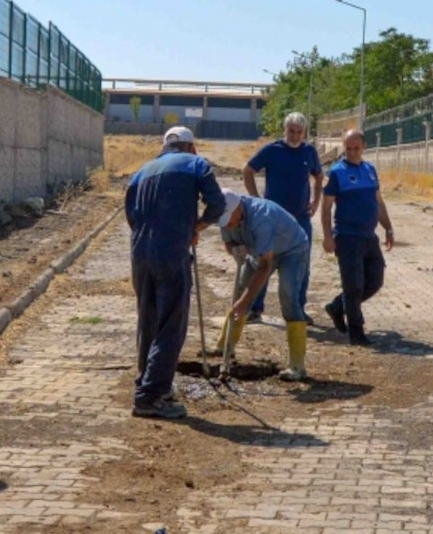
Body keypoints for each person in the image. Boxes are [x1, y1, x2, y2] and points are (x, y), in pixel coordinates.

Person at [125, 126, 226, 419]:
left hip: (140, 253)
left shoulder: (142, 170)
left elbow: (130, 214)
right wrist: (197, 227)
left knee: (149, 321)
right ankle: (149, 397)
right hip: (172, 252)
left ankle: (150, 380)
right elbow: (217, 204)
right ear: (191, 147)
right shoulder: (196, 164)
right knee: (171, 325)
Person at [218, 192, 312, 381]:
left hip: (292, 249)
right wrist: (234, 250)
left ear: (239, 209)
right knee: (239, 292)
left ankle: (297, 366)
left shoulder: (262, 219)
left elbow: (265, 266)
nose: (227, 224)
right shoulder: (224, 216)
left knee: (288, 296)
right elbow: (229, 241)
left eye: (229, 220)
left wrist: (246, 302)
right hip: (260, 251)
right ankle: (224, 348)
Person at [241, 112, 322, 324]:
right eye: (291, 131)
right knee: (263, 262)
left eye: (299, 132)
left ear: (304, 132)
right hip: (272, 222)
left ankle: (298, 310)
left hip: (300, 221)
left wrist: (315, 201)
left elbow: (319, 176)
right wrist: (256, 200)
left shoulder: (309, 152)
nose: (295, 136)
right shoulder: (272, 150)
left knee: (301, 266)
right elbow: (248, 171)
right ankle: (254, 308)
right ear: (284, 130)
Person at [321, 129, 394, 346]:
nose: (352, 152)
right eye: (348, 148)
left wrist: (388, 228)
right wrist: (327, 236)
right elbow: (326, 208)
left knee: (375, 279)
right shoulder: (336, 172)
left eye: (356, 148)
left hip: (369, 236)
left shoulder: (370, 170)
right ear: (344, 147)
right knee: (353, 286)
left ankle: (337, 306)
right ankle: (356, 332)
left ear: (364, 147)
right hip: (347, 236)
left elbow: (378, 202)